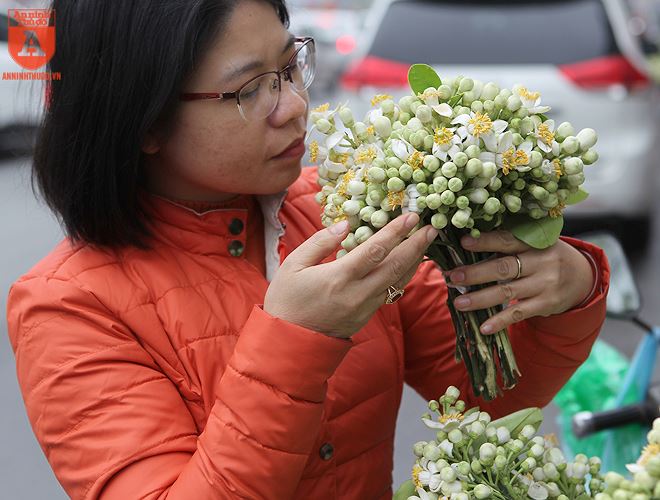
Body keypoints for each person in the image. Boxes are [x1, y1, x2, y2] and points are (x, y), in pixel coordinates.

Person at [6, 0, 609, 498]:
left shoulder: (338, 210)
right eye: (248, 90)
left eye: (290, 66)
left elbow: (491, 393)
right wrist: (296, 337)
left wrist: (569, 290)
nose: (295, 106)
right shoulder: (65, 306)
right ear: (142, 121)